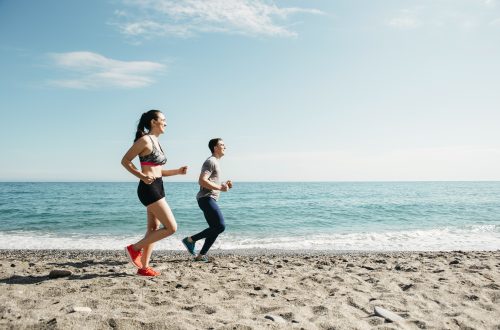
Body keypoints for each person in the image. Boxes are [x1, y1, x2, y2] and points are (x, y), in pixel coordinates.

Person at [121, 109, 188, 276]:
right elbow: (125, 161)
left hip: (158, 186)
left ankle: (143, 268)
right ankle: (134, 249)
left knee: (153, 228)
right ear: (153, 121)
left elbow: (158, 170)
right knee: (172, 227)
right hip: (148, 188)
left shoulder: (156, 141)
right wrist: (141, 176)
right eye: (163, 119)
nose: (166, 123)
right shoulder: (145, 140)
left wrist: (177, 172)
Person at [182, 138, 232, 262]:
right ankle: (190, 240)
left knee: (214, 229)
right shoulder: (211, 161)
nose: (225, 147)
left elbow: (211, 182)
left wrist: (224, 185)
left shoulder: (215, 162)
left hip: (209, 198)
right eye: (222, 145)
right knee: (220, 226)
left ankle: (201, 255)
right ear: (215, 147)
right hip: (206, 198)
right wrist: (220, 187)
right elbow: (202, 180)